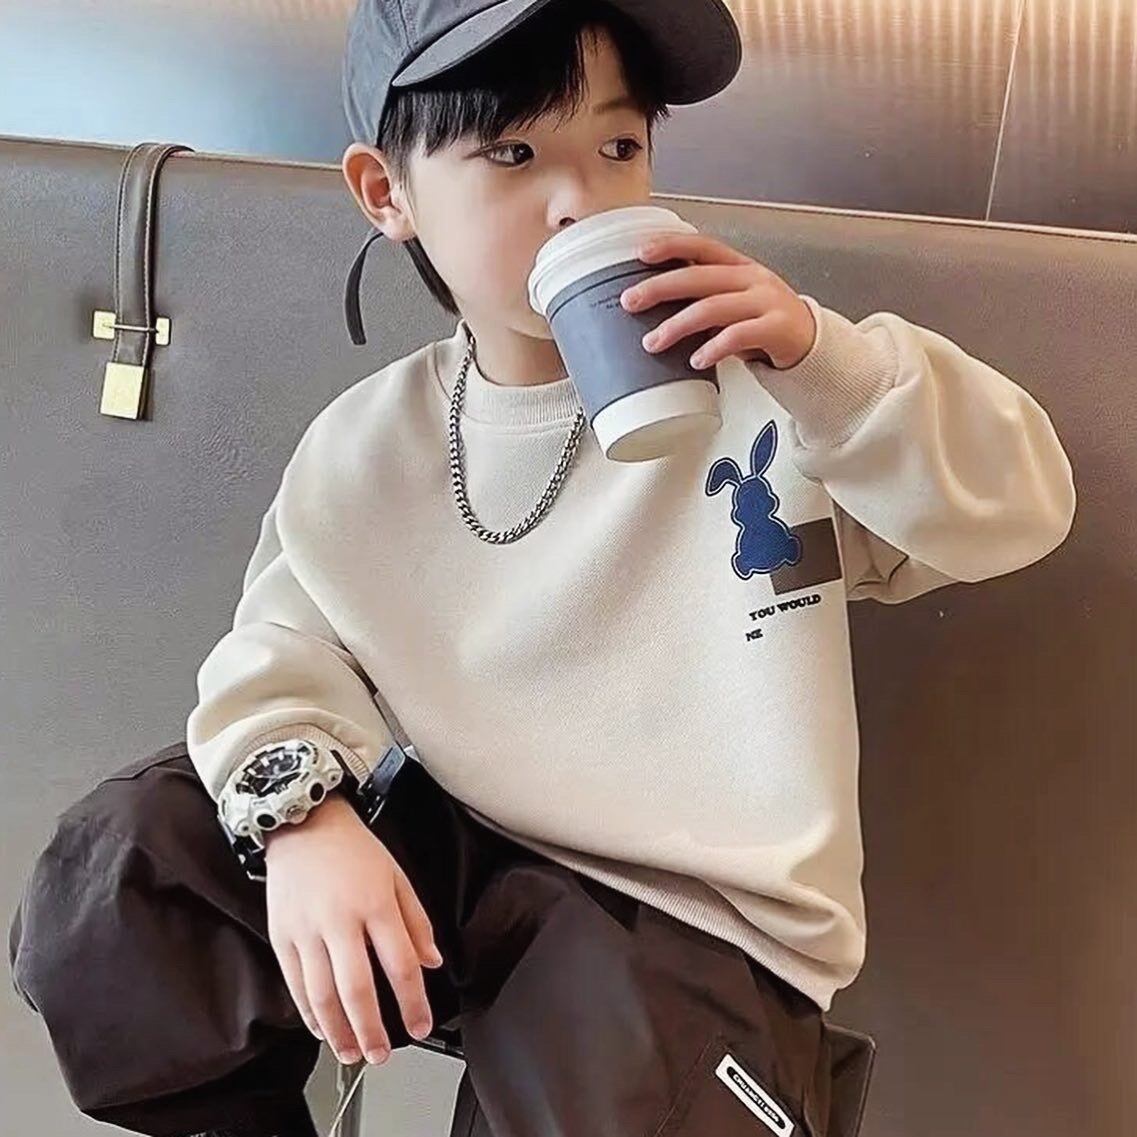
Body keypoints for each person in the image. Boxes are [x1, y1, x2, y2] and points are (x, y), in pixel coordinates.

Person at [9, 2, 1077, 1136]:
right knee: (126, 882)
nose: (580, 201)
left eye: (617, 145)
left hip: (687, 918)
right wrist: (302, 821)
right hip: (443, 848)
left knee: (621, 1086)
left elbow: (1015, 513)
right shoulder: (372, 440)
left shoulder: (776, 386)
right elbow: (281, 652)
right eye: (512, 153)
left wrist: (827, 360)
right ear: (386, 193)